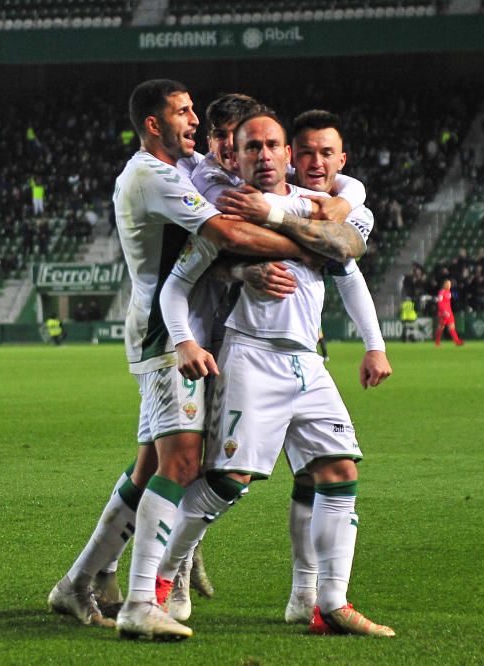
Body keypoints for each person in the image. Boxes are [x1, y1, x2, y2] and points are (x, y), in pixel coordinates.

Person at [48, 79, 310, 641]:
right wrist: (315, 244)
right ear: (152, 124)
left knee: (149, 469)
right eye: (184, 112)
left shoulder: (174, 168)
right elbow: (224, 232)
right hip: (170, 333)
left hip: (175, 328)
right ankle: (146, 598)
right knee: (182, 464)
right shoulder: (154, 175)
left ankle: (78, 582)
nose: (194, 121)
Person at [158, 111, 394, 637]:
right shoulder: (230, 212)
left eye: (273, 147)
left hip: (309, 360)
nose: (264, 156)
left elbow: (348, 270)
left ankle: (328, 604)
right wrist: (193, 330)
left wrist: (374, 347)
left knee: (338, 470)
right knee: (228, 481)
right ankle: (163, 572)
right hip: (251, 355)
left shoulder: (312, 203)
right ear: (236, 157)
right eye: (252, 148)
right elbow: (176, 283)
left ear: (287, 153)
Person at [435, 279, 463, 347]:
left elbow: (453, 299)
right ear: (444, 285)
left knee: (452, 327)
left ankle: (457, 341)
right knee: (441, 327)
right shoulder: (441, 292)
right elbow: (440, 303)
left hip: (449, 312)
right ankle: (437, 342)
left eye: (450, 284)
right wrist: (443, 311)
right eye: (447, 284)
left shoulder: (449, 292)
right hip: (443, 313)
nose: (449, 285)